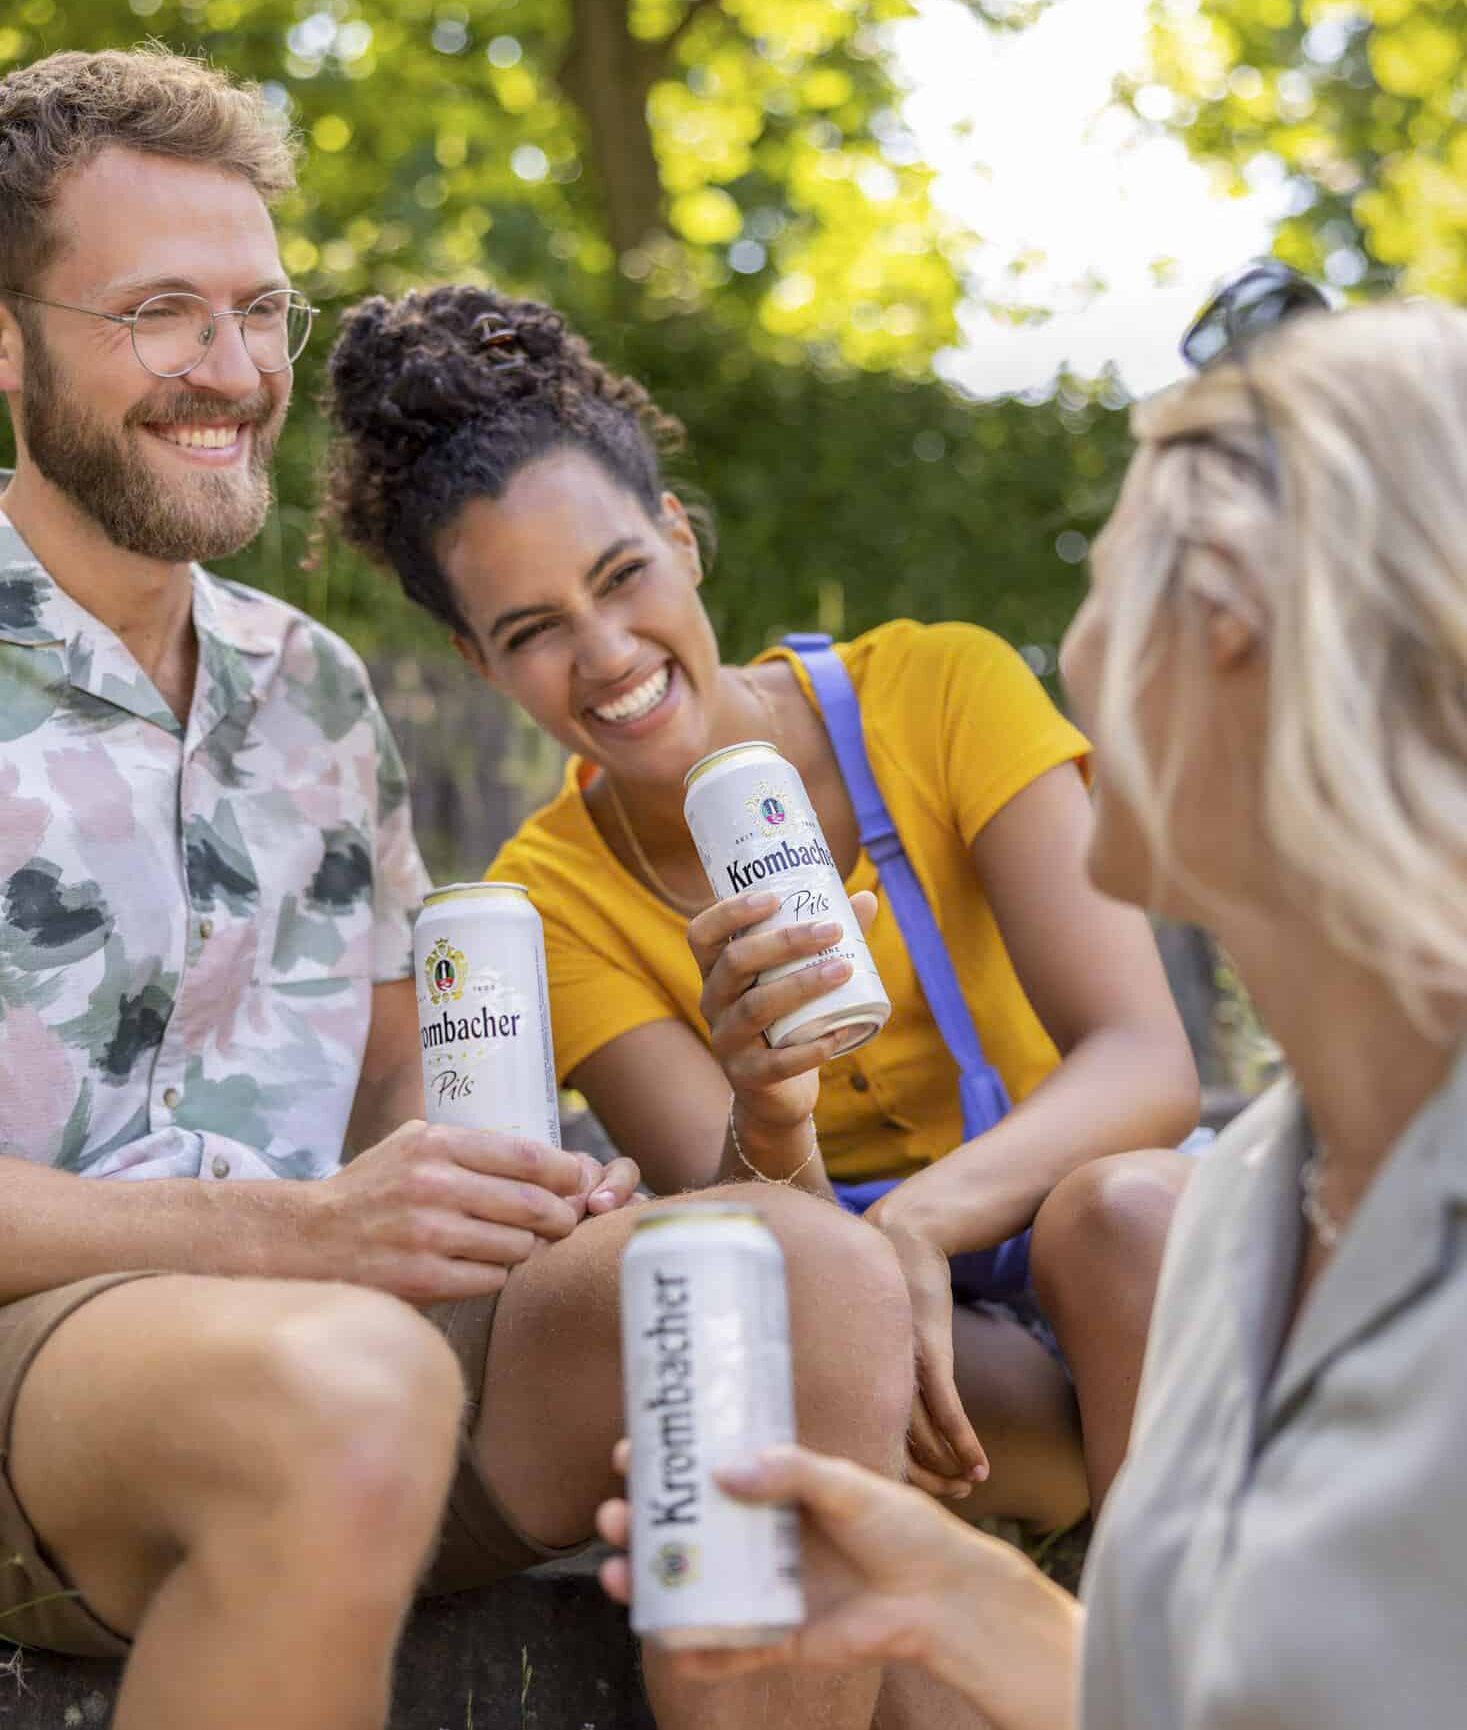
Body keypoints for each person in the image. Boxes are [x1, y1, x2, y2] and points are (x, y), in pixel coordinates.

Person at [0, 49, 922, 1730]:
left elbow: (391, 1084)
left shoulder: (315, 696)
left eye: (261, 309)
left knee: (801, 1270)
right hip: (62, 1373)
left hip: (346, 1354)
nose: (232, 370)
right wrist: (295, 1237)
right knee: (340, 1378)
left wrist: (492, 1181)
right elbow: (307, 1240)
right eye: (158, 312)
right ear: (5, 340)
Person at [597, 287, 1467, 1728]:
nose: (1062, 646)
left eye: (1104, 568)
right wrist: (959, 1603)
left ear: (1230, 629)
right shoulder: (1262, 1191)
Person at [322, 285, 1201, 1529]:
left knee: (1119, 1210)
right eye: (533, 631)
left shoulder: (942, 688)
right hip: (913, 1340)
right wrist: (767, 1103)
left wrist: (915, 1220)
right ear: (478, 661)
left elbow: (1148, 1062)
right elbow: (761, 1232)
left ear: (679, 538)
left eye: (623, 574)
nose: (609, 652)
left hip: (1113, 1236)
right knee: (813, 1344)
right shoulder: (547, 901)